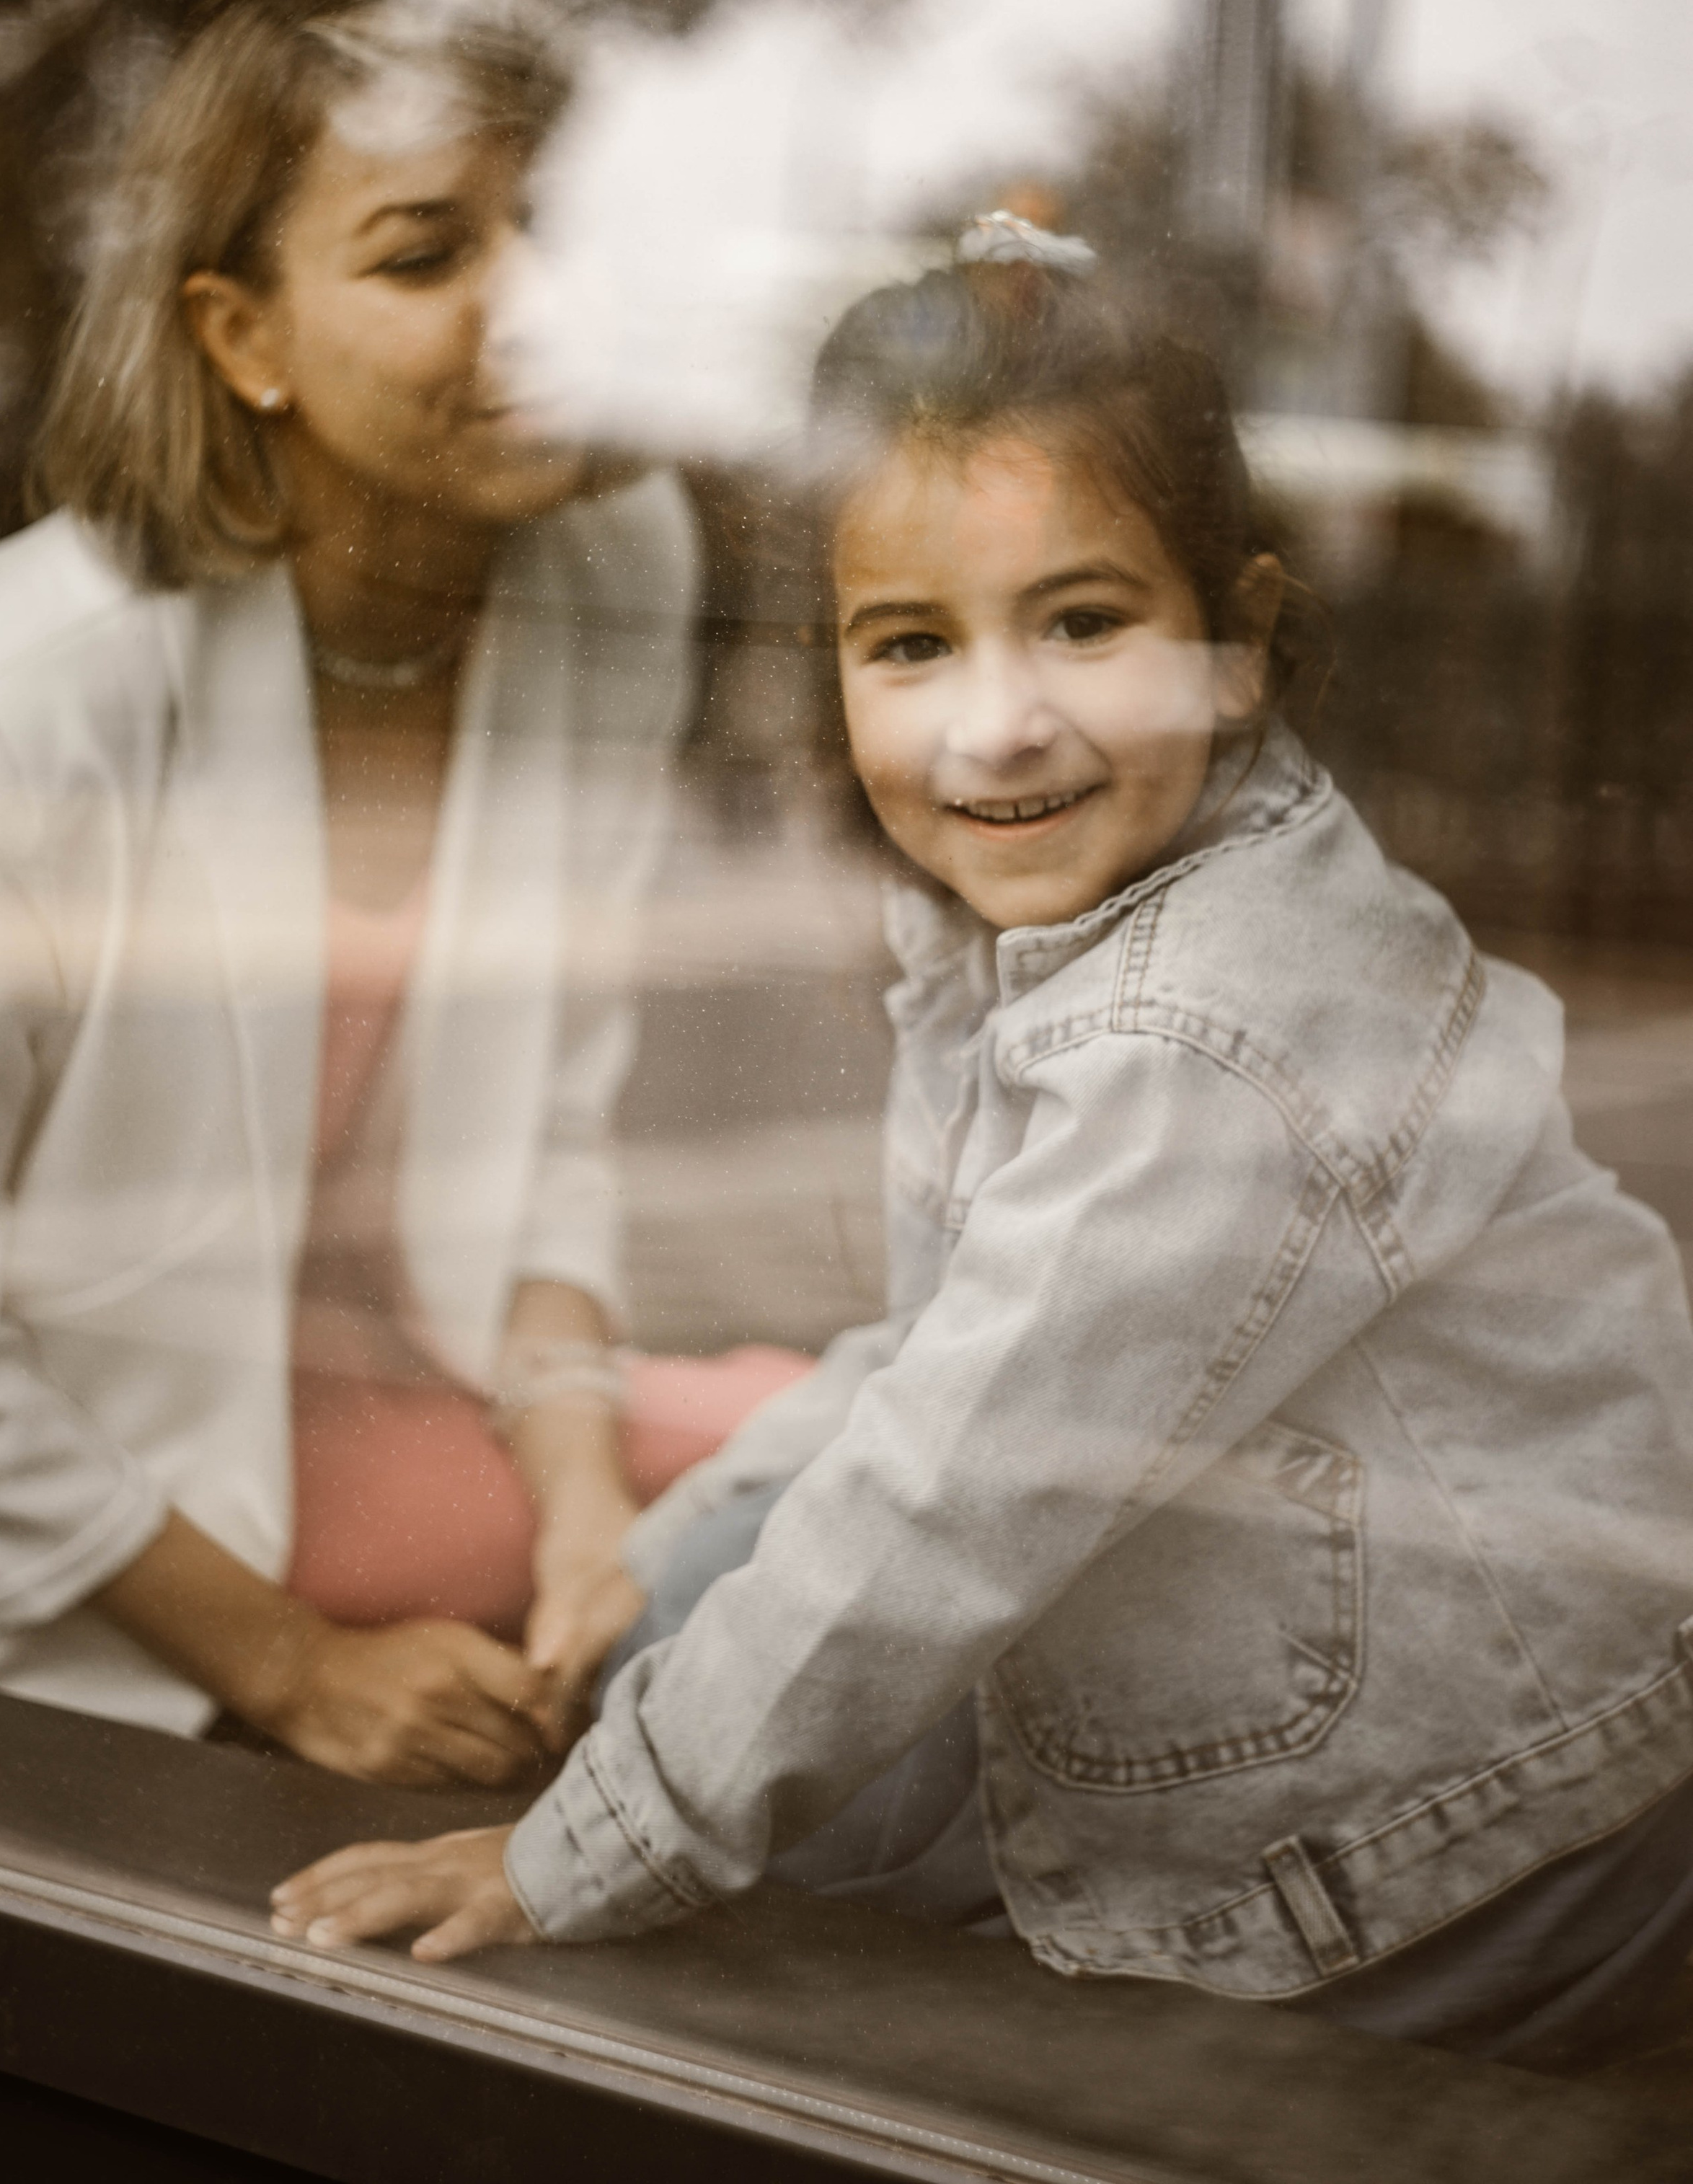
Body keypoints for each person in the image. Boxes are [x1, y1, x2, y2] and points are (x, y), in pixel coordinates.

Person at [273, 214, 1693, 2065]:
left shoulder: (1213, 1029)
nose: (998, 724)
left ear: (1236, 646)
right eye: (911, 645)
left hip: (1484, 1824)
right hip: (1278, 1641)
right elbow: (935, 1352)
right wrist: (657, 1555)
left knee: (758, 1879)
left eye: (1082, 623)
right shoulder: (1048, 916)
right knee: (687, 1614)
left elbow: (961, 1481)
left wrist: (584, 1848)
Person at [0, 0, 805, 1786]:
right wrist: (295, 1673)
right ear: (242, 338)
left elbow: (548, 1139)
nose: (533, 307)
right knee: (829, 1549)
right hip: (99, 1530)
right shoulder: (18, 697)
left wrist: (585, 1512)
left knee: (875, 1480)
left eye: (554, 227)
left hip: (416, 1403)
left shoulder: (613, 566)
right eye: (426, 254)